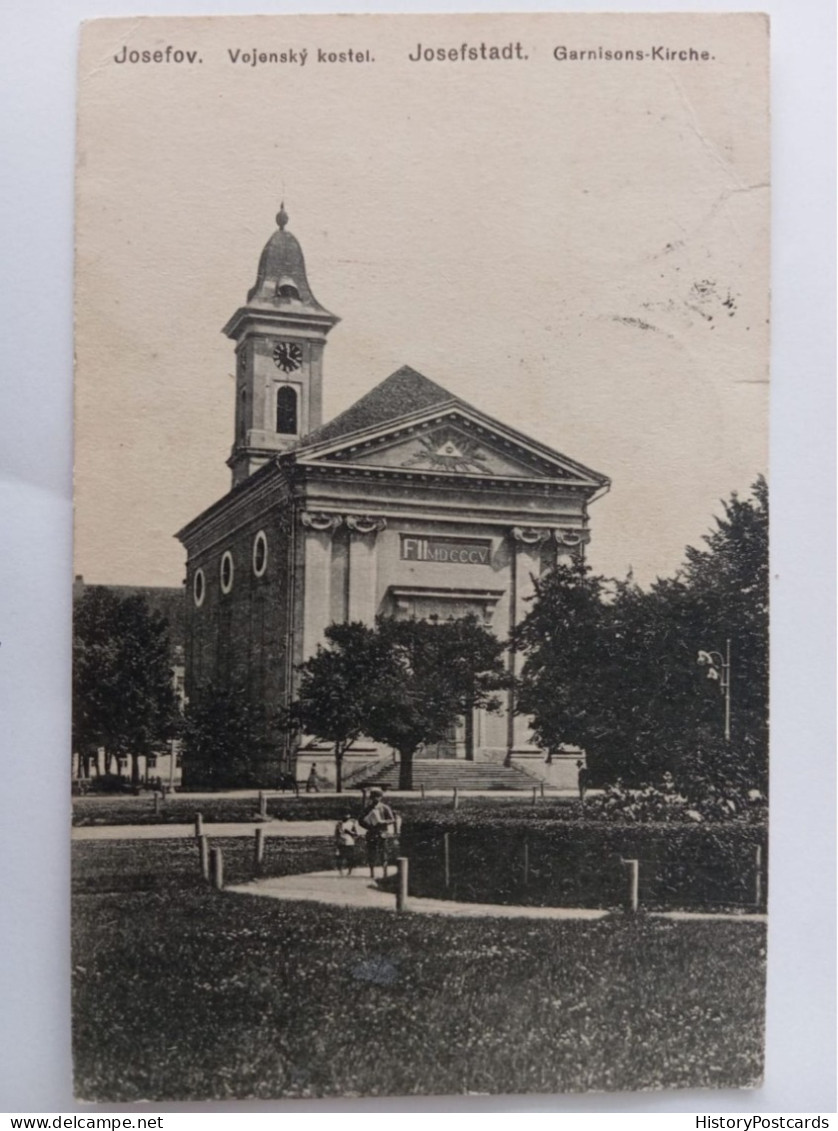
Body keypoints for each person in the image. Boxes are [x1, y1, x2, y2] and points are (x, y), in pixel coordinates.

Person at [359, 787, 396, 880]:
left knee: (383, 852)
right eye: (373, 797)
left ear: (380, 797)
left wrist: (383, 822)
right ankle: (372, 872)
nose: (374, 799)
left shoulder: (385, 808)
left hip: (382, 832)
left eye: (377, 797)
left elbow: (392, 819)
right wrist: (368, 825)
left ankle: (385, 873)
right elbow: (360, 820)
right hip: (372, 832)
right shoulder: (368, 808)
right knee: (371, 852)